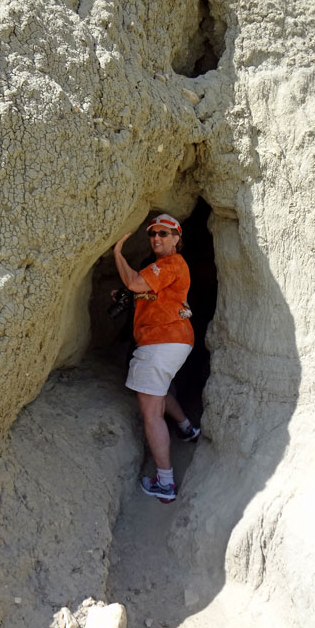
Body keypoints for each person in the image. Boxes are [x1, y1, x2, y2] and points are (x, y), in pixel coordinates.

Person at [113, 214, 200, 503]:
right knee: (159, 392)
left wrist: (117, 254)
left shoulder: (171, 263)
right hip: (172, 341)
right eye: (153, 234)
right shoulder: (160, 268)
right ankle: (187, 428)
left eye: (164, 233)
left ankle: (165, 483)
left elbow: (136, 283)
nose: (157, 238)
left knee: (151, 413)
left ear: (177, 238)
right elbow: (143, 292)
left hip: (161, 341)